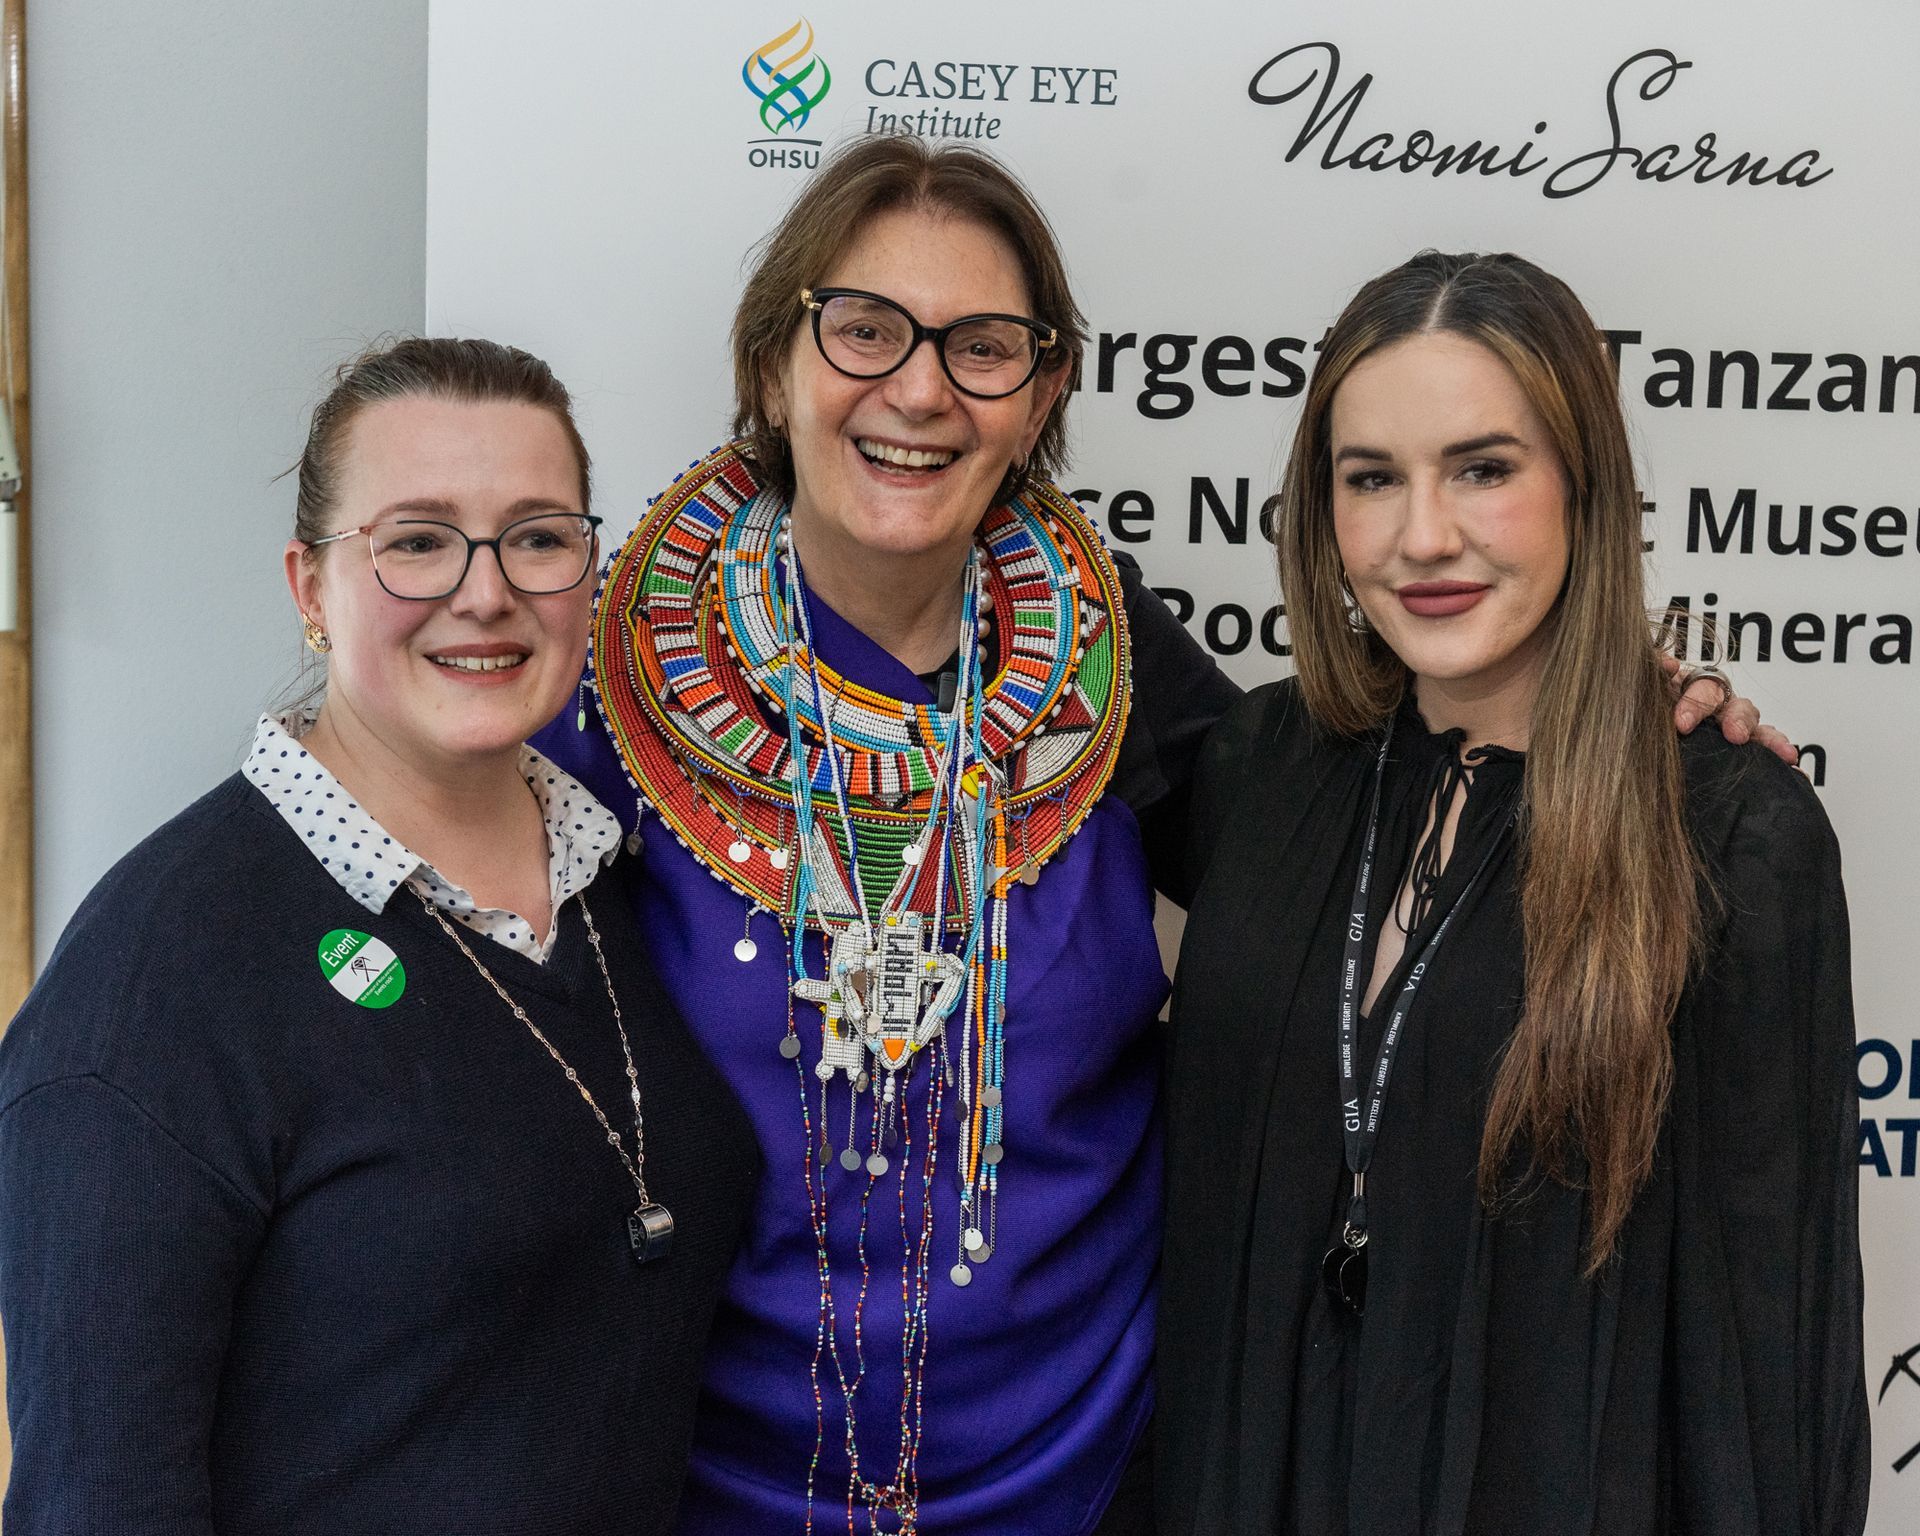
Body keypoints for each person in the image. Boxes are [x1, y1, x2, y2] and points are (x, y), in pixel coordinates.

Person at [536, 141, 1779, 1536]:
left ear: (1043, 393)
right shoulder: (603, 693)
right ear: (774, 363)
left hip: (1106, 1484)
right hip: (697, 1485)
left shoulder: (1100, 666)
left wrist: (1608, 709)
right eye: (865, 329)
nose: (921, 388)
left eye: (985, 346)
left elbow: (1379, 838)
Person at [1154, 252, 1868, 1534]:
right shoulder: (1260, 766)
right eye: (1372, 479)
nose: (1423, 536)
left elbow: (1767, 1347)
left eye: (1484, 469)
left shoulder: (1735, 835)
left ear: (1584, 487)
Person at [0, 338, 758, 1533]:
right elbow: (96, 1499)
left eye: (538, 536)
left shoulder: (620, 883)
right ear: (310, 588)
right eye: (417, 539)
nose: (486, 590)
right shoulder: (157, 986)